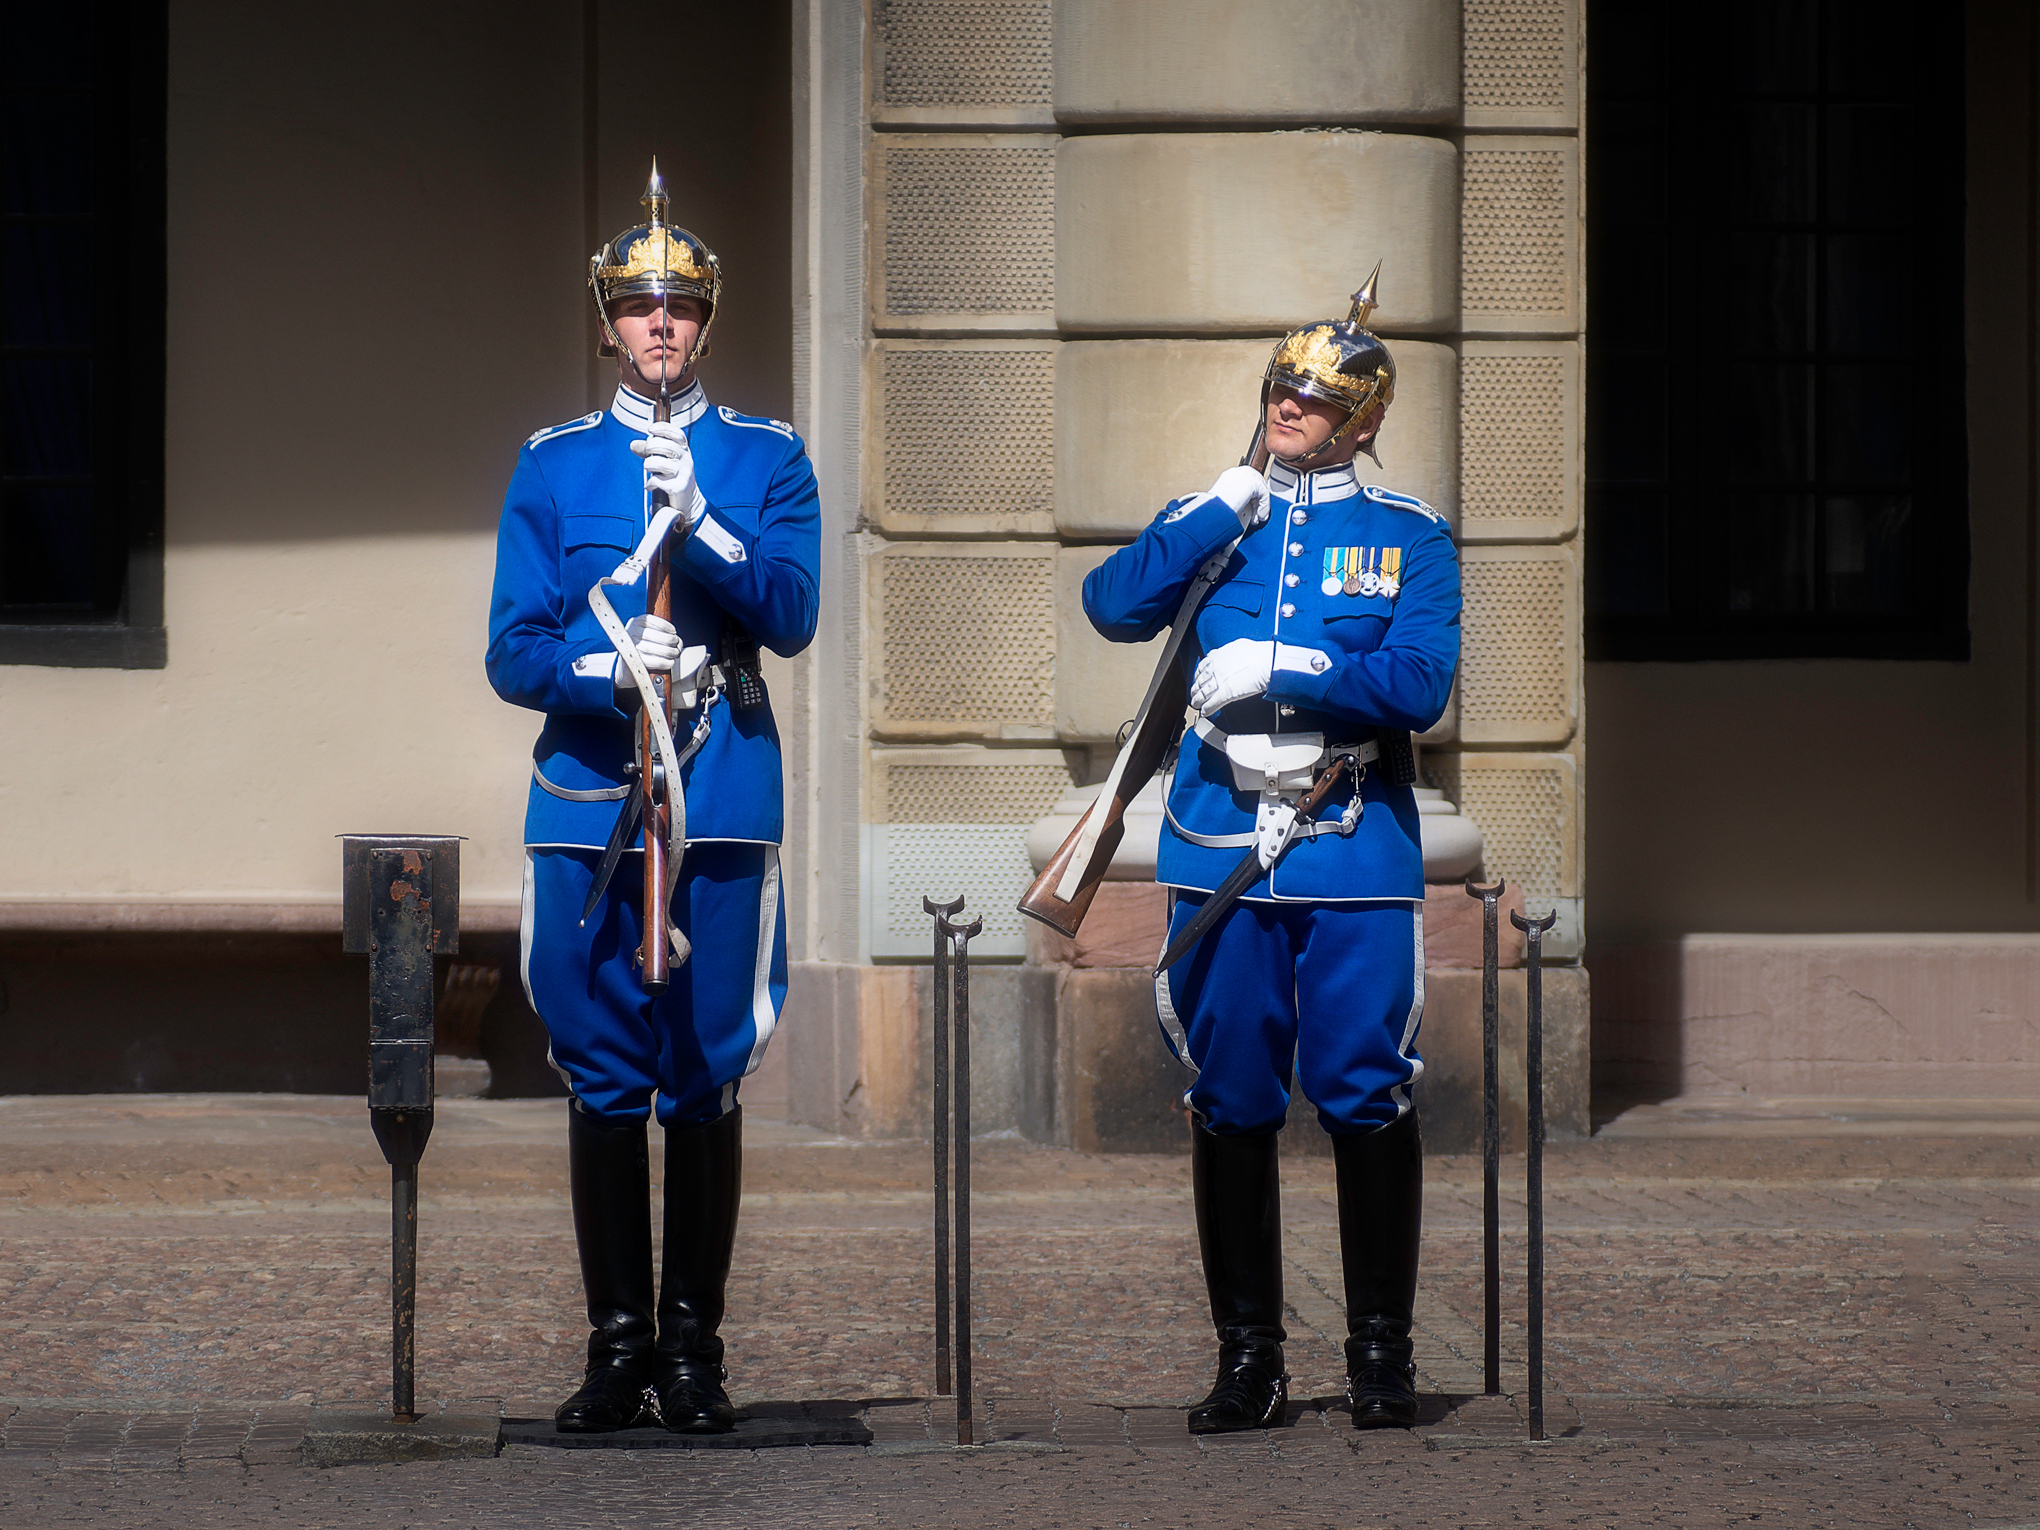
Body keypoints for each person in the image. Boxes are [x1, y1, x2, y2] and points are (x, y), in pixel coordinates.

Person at [1081, 278, 1459, 1432]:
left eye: (1316, 397)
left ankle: (1380, 1354)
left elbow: (1419, 684)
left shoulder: (1408, 539)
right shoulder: (1216, 520)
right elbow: (1110, 604)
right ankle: (1249, 1357)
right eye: (1282, 388)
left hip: (1349, 850)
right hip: (1217, 845)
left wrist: (1291, 667)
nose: (1290, 407)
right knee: (1233, 1095)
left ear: (1364, 422)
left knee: (1360, 1090)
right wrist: (1218, 506)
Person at [485, 167, 820, 1434]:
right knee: (605, 1072)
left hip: (721, 783)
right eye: (638, 307)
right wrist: (603, 662)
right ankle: (617, 1346)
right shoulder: (556, 465)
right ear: (608, 323)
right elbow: (514, 649)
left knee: (705, 1071)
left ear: (707, 322)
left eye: (679, 306)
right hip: (592, 792)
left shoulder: (764, 456)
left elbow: (790, 614)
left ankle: (695, 1353)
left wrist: (711, 529)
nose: (660, 325)